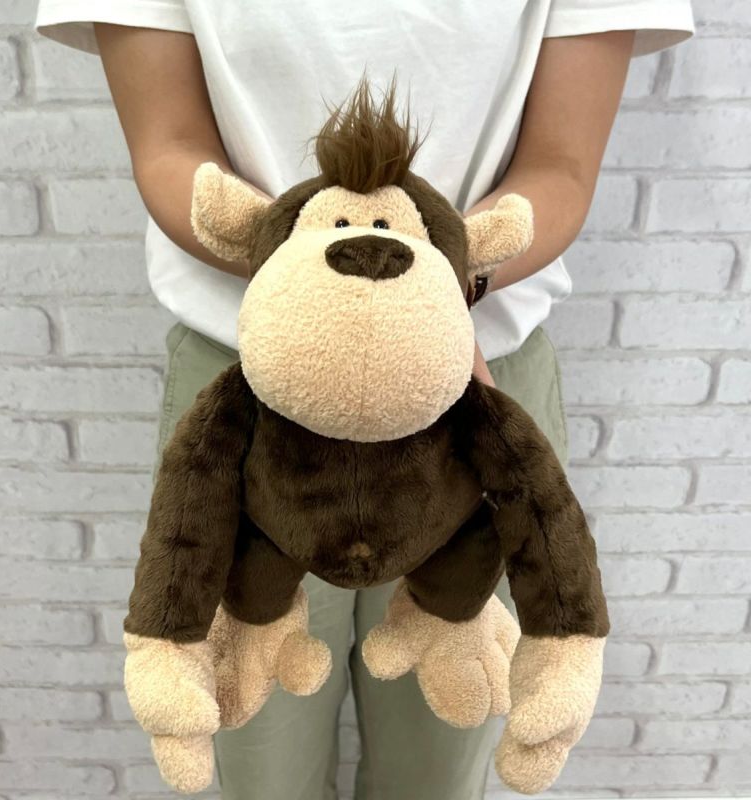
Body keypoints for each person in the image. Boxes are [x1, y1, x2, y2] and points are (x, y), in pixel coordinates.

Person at [34, 3, 695, 799]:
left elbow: (560, 166)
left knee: (442, 757)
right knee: (258, 755)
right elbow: (169, 145)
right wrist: (316, 293)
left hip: (475, 381)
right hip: (251, 381)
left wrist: (432, 303)